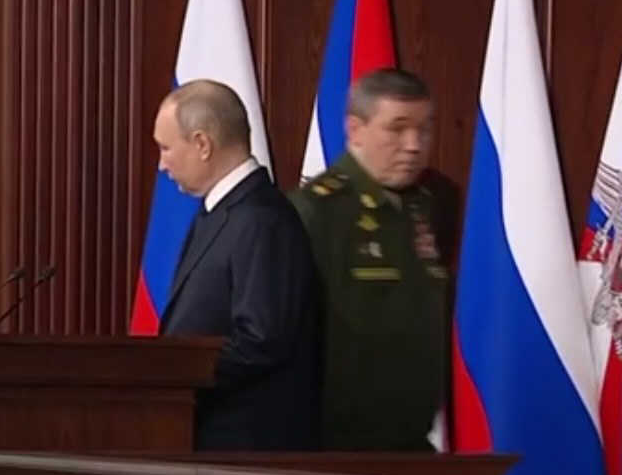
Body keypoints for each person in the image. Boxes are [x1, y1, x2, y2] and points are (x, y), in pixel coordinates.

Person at [289, 69, 451, 451]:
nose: (414, 145)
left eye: (424, 129)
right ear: (355, 130)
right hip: (336, 443)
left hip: (412, 439)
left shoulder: (430, 204)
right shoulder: (317, 210)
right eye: (397, 129)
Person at [155, 79, 319, 450]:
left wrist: (175, 377)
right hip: (201, 432)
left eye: (166, 148)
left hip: (244, 446)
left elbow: (261, 340)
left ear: (202, 144)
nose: (162, 164)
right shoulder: (220, 212)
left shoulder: (262, 220)